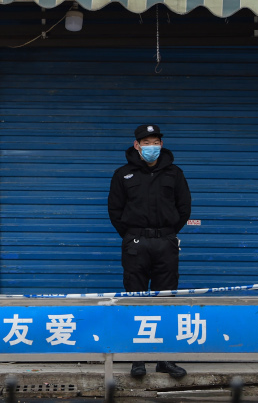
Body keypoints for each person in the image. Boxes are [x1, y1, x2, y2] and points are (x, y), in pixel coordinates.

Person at [107, 124, 191, 380]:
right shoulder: (123, 175)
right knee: (136, 299)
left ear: (161, 145)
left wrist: (166, 234)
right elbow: (115, 211)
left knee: (165, 301)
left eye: (155, 142)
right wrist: (133, 236)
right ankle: (138, 359)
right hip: (135, 243)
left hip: (165, 242)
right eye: (146, 142)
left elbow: (184, 208)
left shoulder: (174, 174)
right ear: (136, 145)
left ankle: (165, 359)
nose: (151, 147)